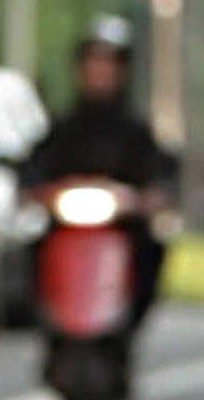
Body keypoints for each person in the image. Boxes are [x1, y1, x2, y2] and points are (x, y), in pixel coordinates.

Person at [17, 20, 177, 338]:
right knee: (31, 245)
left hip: (119, 226)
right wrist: (32, 188)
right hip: (66, 226)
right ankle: (46, 314)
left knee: (151, 248)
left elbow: (159, 171)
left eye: (108, 64)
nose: (100, 73)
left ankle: (131, 318)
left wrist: (150, 196)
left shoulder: (134, 131)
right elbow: (35, 165)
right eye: (94, 64)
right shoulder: (65, 127)